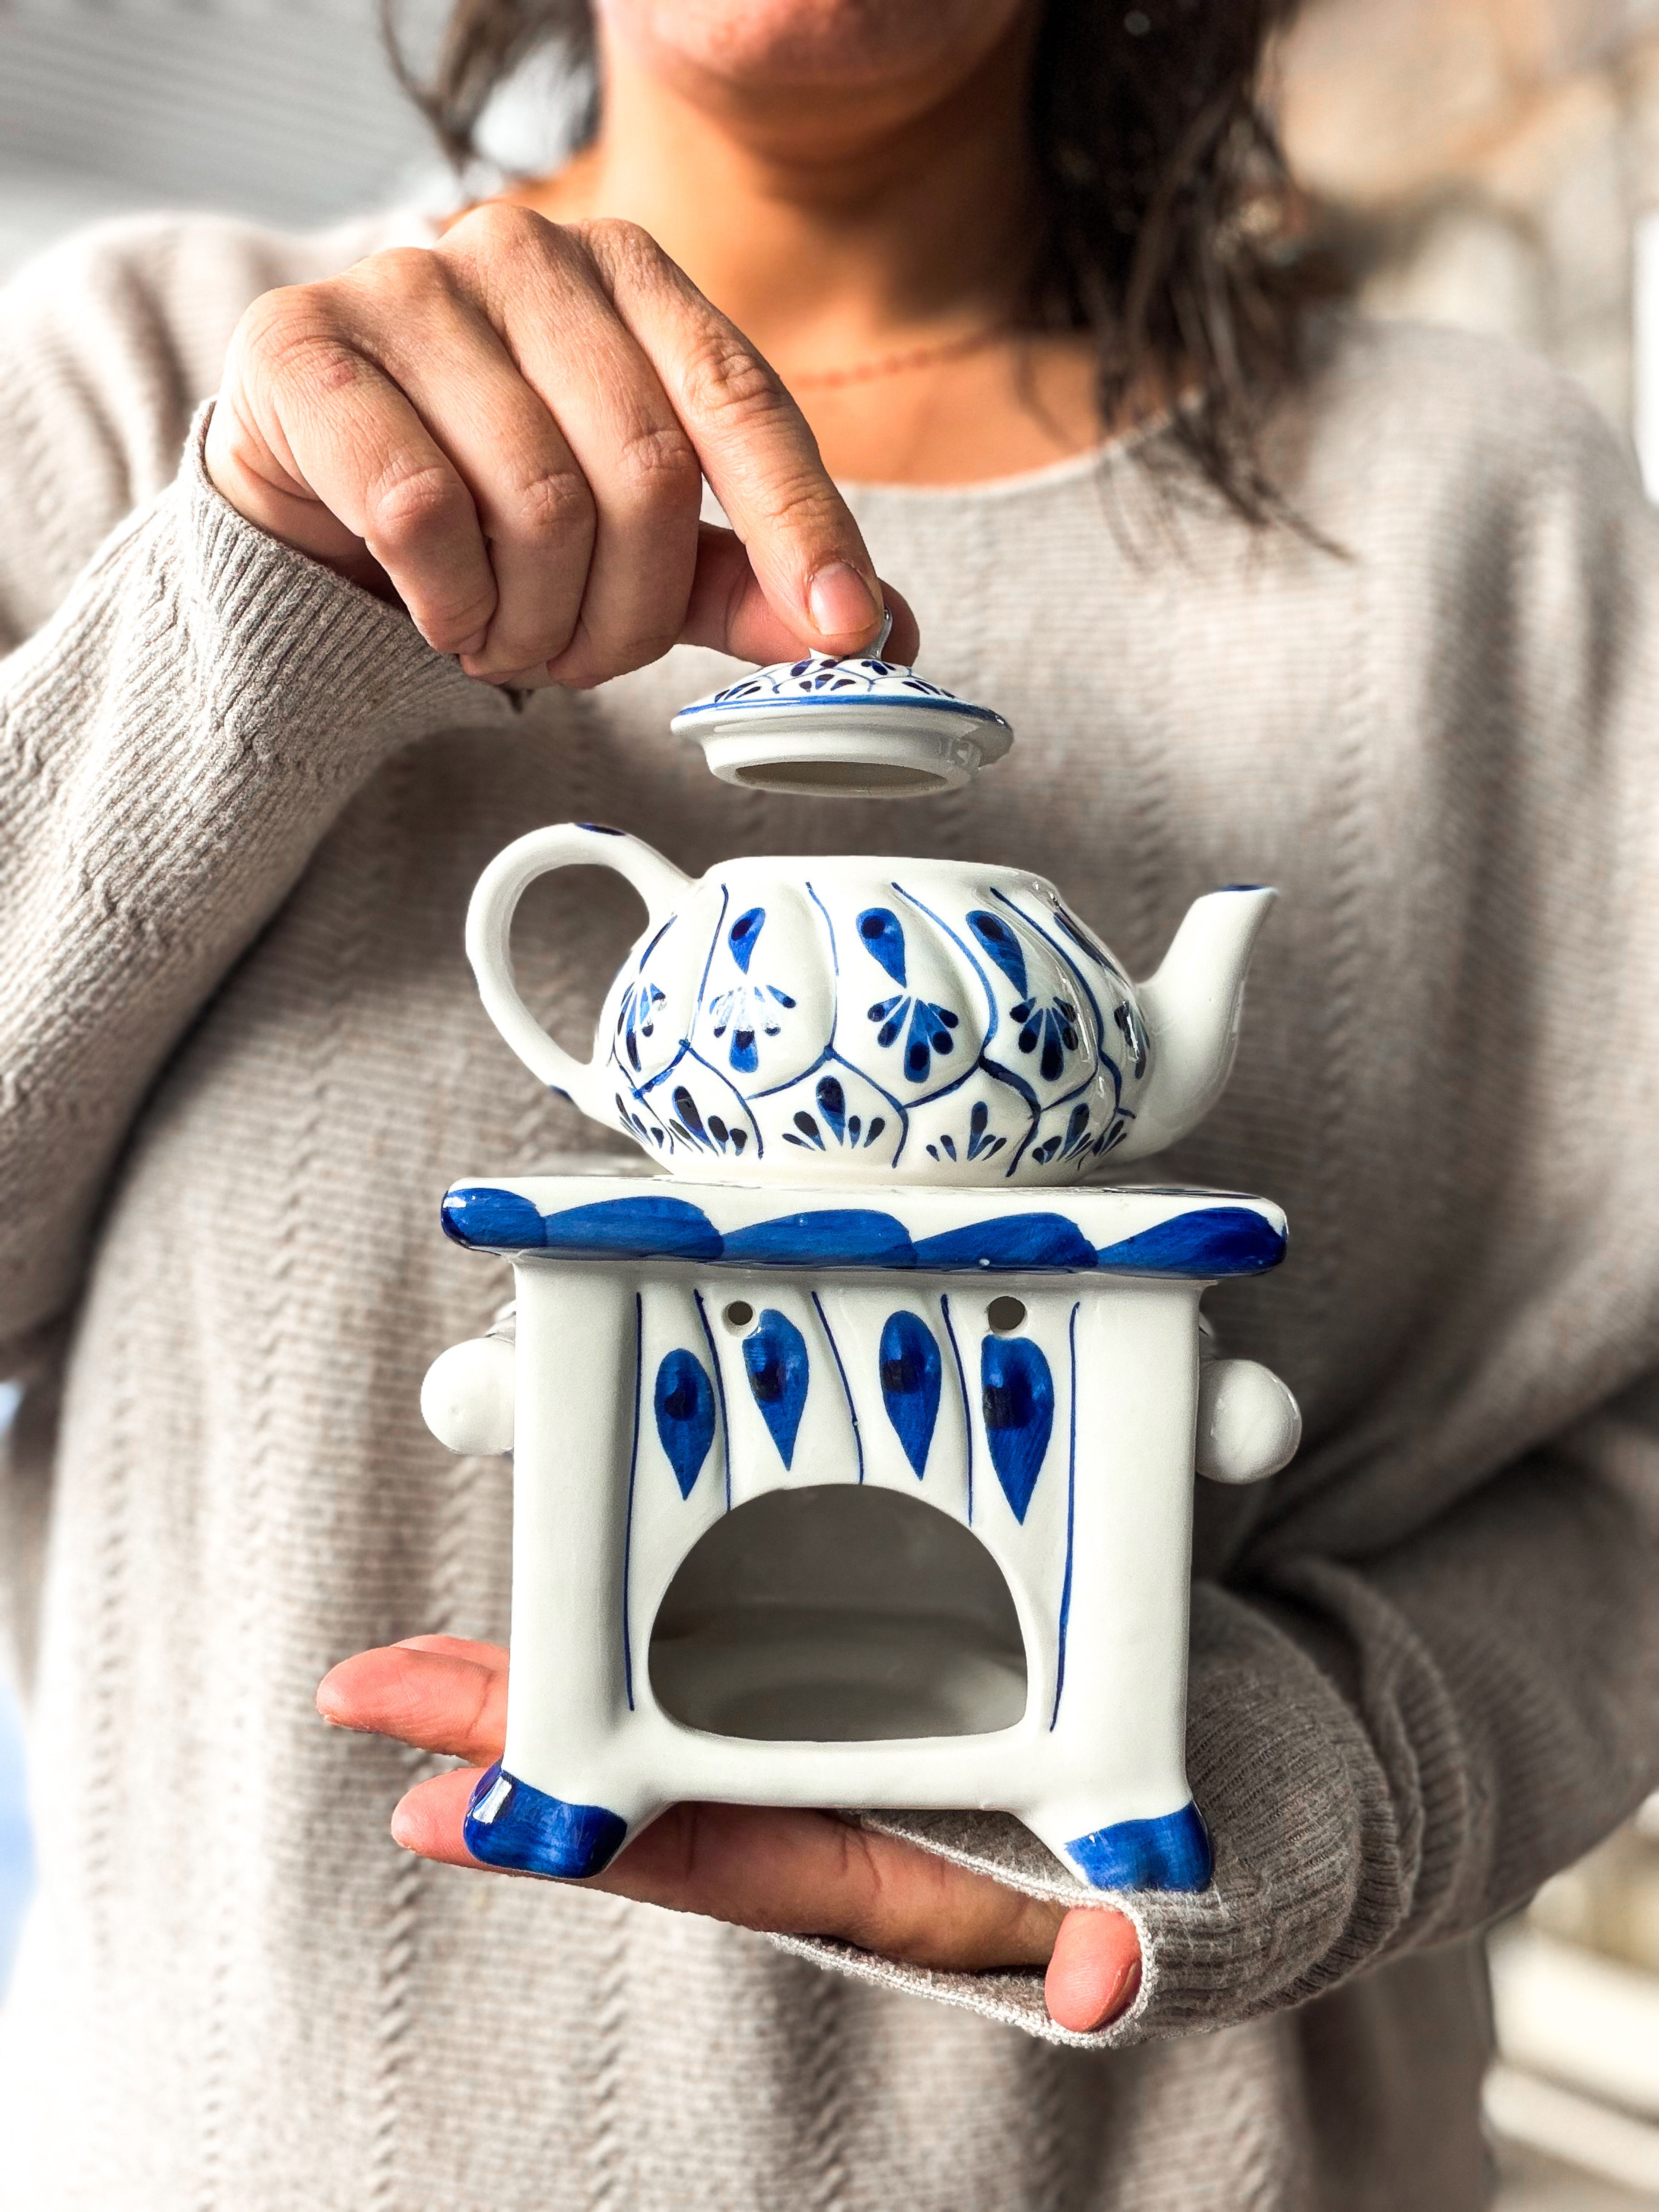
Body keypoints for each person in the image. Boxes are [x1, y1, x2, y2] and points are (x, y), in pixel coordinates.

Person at [0, 0, 1655, 2203]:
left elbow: (1630, 1455)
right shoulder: (142, 385)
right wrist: (252, 602)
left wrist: (1307, 1774)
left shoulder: (1486, 508)